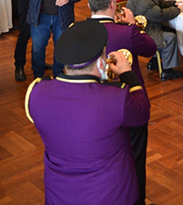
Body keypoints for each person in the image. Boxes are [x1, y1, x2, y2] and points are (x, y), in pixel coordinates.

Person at [25, 21, 150, 205]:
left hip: (59, 195)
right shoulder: (116, 98)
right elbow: (142, 112)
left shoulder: (35, 93)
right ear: (101, 63)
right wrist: (127, 74)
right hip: (112, 195)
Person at [83, 0, 158, 205]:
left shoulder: (78, 31)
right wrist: (133, 24)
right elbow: (151, 49)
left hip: (91, 104)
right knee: (135, 155)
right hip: (128, 101)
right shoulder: (126, 32)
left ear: (88, 5)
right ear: (114, 4)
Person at [13, 0, 84, 79]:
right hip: (40, 17)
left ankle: (58, 73)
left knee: (61, 47)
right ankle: (38, 75)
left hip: (62, 18)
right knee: (37, 49)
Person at [126, 0, 183, 81]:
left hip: (142, 27)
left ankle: (154, 61)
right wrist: (177, 10)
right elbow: (160, 15)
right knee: (171, 37)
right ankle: (167, 71)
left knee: (169, 29)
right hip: (145, 32)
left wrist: (173, 3)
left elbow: (157, 4)